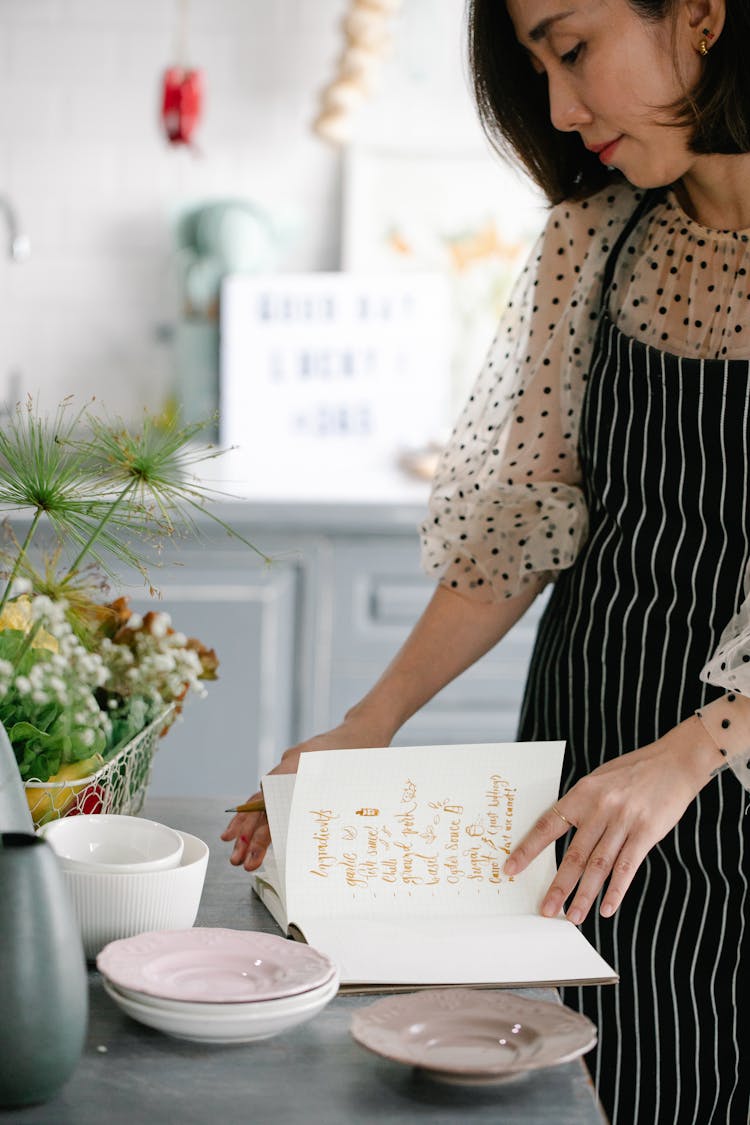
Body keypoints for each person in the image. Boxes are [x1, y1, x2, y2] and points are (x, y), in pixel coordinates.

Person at [223, 1, 750, 1121]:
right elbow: (519, 530)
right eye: (537, 68)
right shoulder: (596, 241)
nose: (560, 110)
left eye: (571, 49)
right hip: (583, 777)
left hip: (725, 777)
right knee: (576, 1081)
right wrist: (373, 720)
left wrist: (697, 749)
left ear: (703, 15)